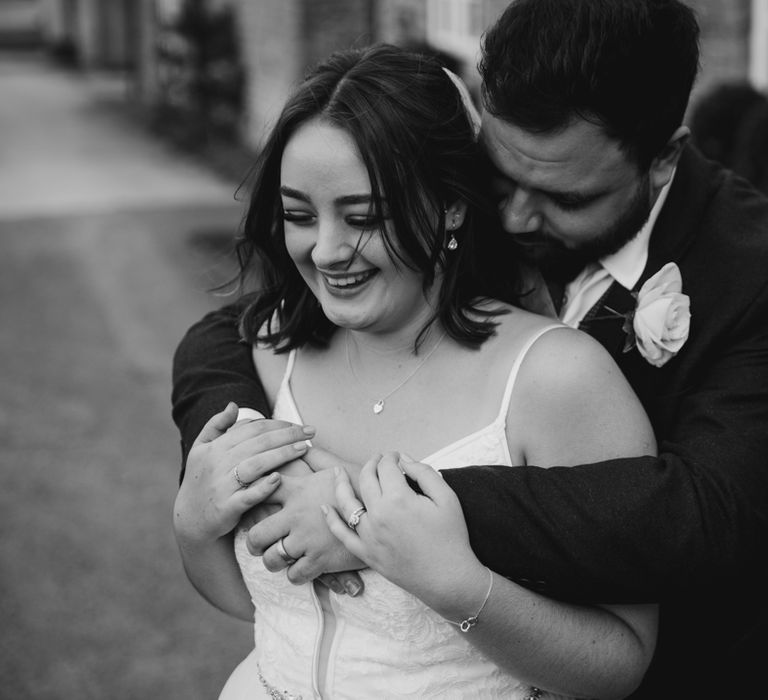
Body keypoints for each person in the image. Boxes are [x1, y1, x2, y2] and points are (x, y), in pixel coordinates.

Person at [172, 0, 768, 696]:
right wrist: (231, 458)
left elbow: (704, 516)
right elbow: (234, 330)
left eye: (562, 197)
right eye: (499, 176)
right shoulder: (442, 221)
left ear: (664, 158)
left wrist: (377, 511)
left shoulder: (748, 279)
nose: (512, 217)